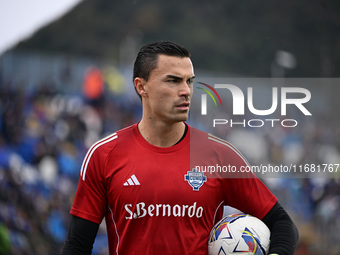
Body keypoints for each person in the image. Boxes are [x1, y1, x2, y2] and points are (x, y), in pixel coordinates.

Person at [62, 41, 298, 255]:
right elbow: (77, 245)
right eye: (173, 80)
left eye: (189, 81)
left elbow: (281, 224)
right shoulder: (104, 154)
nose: (186, 91)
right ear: (141, 86)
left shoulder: (219, 155)